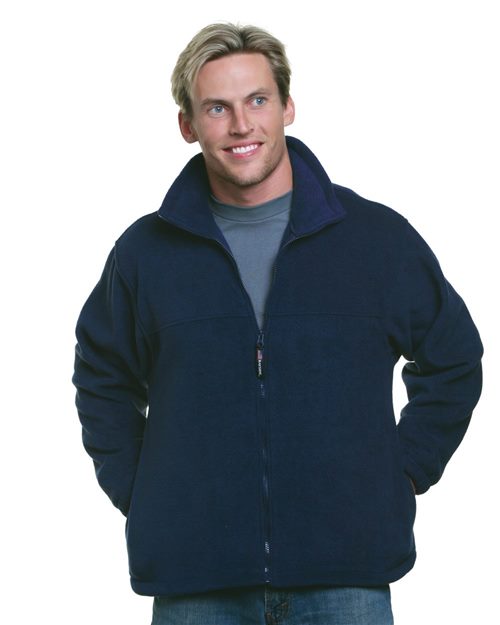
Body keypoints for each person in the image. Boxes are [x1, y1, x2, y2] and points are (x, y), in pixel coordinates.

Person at [73, 22, 483, 625]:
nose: (242, 125)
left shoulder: (375, 240)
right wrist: (145, 492)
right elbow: (102, 378)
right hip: (197, 582)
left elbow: (454, 357)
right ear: (188, 124)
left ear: (287, 107)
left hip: (346, 576)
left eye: (258, 100)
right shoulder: (145, 255)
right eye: (217, 108)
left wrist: (402, 473)